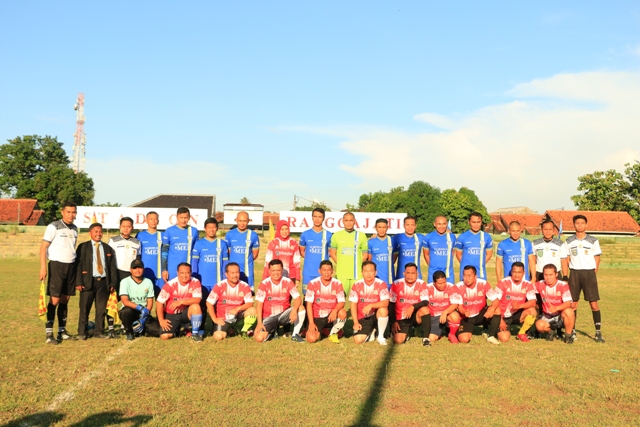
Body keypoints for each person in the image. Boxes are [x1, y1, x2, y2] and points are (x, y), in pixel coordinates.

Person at [39, 202, 79, 344]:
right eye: (68, 212)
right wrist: (43, 267)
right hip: (57, 266)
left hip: (71, 267)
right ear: (62, 212)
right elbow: (43, 248)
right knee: (54, 300)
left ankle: (62, 331)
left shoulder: (75, 229)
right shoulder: (53, 226)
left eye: (74, 212)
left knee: (65, 299)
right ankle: (49, 333)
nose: (71, 215)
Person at [561, 214, 604, 343]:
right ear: (574, 225)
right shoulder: (568, 241)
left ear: (586, 225)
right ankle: (572, 331)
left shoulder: (593, 240)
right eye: (577, 223)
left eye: (582, 223)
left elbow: (597, 258)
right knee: (573, 304)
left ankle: (598, 333)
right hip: (574, 273)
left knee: (594, 304)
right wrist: (566, 274)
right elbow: (565, 258)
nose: (579, 225)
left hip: (589, 274)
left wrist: (592, 272)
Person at [74, 223, 118, 340]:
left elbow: (112, 267)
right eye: (96, 231)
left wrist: (113, 283)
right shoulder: (83, 247)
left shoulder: (108, 248)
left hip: (103, 282)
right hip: (87, 282)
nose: (98, 234)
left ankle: (99, 332)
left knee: (101, 309)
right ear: (90, 233)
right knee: (84, 308)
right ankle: (82, 333)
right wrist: (78, 282)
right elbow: (78, 266)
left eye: (100, 232)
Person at [192, 217, 229, 336]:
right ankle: (201, 329)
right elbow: (194, 263)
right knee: (202, 306)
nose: (212, 230)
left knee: (217, 306)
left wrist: (224, 280)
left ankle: (216, 327)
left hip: (217, 282)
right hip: (203, 282)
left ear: (217, 229)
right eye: (209, 227)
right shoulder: (198, 244)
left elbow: (225, 264)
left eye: (214, 227)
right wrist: (195, 278)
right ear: (205, 229)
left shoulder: (222, 244)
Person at [253, 260, 305, 343]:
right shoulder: (264, 284)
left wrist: (294, 310)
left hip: (283, 315)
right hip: (269, 316)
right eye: (273, 270)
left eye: (278, 270)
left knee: (301, 307)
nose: (276, 273)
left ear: (282, 270)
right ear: (269, 271)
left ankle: (295, 335)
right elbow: (259, 305)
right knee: (259, 338)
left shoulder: (288, 282)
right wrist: (259, 323)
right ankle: (272, 332)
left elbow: (298, 299)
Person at [108, 216, 141, 335]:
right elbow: (109, 259)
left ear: (132, 228)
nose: (126, 229)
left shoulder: (136, 242)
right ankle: (111, 326)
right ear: (119, 227)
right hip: (116, 272)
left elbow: (138, 259)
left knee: (127, 299)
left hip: (130, 274)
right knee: (113, 299)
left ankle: (124, 324)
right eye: (124, 226)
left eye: (129, 226)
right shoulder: (113, 240)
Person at [206, 262, 256, 341]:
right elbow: (209, 303)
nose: (235, 275)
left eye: (237, 272)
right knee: (218, 337)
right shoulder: (220, 286)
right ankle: (231, 329)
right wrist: (215, 319)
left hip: (238, 316)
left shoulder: (244, 285)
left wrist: (238, 309)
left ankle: (244, 329)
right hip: (224, 319)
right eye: (232, 273)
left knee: (252, 310)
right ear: (226, 274)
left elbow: (250, 303)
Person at [329, 212, 369, 310]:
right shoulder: (336, 235)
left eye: (351, 220)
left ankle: (359, 323)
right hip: (342, 274)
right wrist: (342, 263)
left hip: (356, 275)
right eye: (346, 220)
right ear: (342, 222)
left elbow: (365, 254)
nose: (348, 223)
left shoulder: (361, 235)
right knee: (339, 300)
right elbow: (332, 253)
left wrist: (358, 263)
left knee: (358, 301)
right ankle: (338, 323)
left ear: (355, 221)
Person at [156, 263, 204, 342]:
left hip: (186, 313)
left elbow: (197, 299)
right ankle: (176, 330)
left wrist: (181, 302)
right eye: (182, 273)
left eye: (187, 273)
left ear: (191, 273)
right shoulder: (170, 284)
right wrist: (161, 320)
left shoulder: (195, 282)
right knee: (165, 336)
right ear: (177, 273)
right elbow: (159, 302)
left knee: (196, 307)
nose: (184, 276)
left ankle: (195, 334)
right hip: (172, 314)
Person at [304, 260, 347, 343]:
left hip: (331, 316)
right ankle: (323, 330)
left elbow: (342, 302)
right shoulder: (312, 283)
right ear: (319, 271)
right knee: (311, 339)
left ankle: (333, 333)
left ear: (332, 271)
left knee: (342, 312)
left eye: (329, 270)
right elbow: (308, 304)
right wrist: (311, 323)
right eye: (324, 270)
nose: (326, 272)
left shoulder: (337, 283)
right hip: (317, 316)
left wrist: (334, 311)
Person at [456, 265, 501, 345]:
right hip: (466, 317)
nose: (467, 278)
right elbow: (459, 306)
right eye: (465, 275)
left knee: (496, 309)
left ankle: (491, 336)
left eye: (469, 276)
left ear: (475, 276)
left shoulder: (483, 284)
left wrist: (492, 308)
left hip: (481, 315)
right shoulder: (458, 287)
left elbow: (496, 300)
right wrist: (463, 311)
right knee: (464, 339)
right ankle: (467, 330)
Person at [389, 263, 431, 346]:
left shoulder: (421, 284)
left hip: (415, 316)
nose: (410, 276)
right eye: (408, 273)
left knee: (425, 309)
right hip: (401, 318)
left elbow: (425, 301)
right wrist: (394, 322)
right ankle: (406, 333)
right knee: (398, 341)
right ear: (404, 273)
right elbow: (391, 304)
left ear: (417, 274)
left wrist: (412, 307)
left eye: (413, 273)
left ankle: (426, 338)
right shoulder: (396, 284)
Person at [118, 260, 162, 340]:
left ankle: (141, 330)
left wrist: (143, 318)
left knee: (159, 331)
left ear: (143, 269)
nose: (137, 270)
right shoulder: (124, 282)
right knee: (126, 312)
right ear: (131, 270)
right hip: (130, 310)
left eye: (140, 268)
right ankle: (129, 332)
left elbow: (149, 303)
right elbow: (125, 301)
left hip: (143, 313)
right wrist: (140, 307)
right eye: (135, 268)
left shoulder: (148, 282)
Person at [494, 262, 537, 343]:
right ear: (511, 272)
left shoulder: (527, 284)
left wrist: (519, 306)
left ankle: (521, 333)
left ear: (524, 273)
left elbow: (533, 302)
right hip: (502, 316)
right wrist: (500, 320)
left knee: (532, 310)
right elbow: (494, 303)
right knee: (504, 338)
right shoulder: (502, 283)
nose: (517, 275)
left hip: (516, 314)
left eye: (519, 272)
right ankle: (496, 328)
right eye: (515, 272)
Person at [349, 261, 390, 345]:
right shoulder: (356, 285)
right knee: (358, 340)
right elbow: (353, 304)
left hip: (376, 316)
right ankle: (372, 331)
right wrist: (355, 322)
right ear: (362, 272)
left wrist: (371, 305)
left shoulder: (381, 284)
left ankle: (380, 336)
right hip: (363, 317)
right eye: (365, 271)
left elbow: (386, 303)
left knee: (383, 310)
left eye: (371, 271)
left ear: (375, 272)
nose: (368, 274)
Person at [535, 264, 576, 343]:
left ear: (556, 274)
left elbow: (568, 303)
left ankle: (568, 336)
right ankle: (551, 332)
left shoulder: (563, 285)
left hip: (560, 315)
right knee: (539, 325)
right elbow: (528, 290)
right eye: (546, 275)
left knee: (569, 312)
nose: (548, 278)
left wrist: (556, 308)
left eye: (551, 275)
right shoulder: (540, 284)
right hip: (547, 315)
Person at [299, 208, 332, 295]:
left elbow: (331, 252)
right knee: (307, 297)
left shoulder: (328, 235)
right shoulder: (305, 234)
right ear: (312, 217)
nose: (317, 219)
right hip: (308, 272)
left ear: (324, 218)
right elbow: (302, 251)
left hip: (323, 272)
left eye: (320, 217)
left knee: (322, 297)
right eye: (315, 216)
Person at [161, 206, 199, 282]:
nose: (183, 220)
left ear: (189, 218)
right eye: (181, 217)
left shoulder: (194, 231)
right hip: (172, 269)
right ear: (177, 217)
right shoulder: (169, 231)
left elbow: (196, 251)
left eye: (186, 218)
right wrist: (164, 269)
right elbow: (164, 251)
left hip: (187, 270)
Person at [225, 211, 260, 289]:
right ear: (236, 220)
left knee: (248, 294)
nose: (242, 223)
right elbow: (228, 252)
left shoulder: (253, 235)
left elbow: (255, 254)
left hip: (247, 271)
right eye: (240, 221)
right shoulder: (230, 234)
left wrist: (247, 261)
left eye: (244, 221)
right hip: (233, 272)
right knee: (233, 294)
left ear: (248, 221)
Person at [425, 270, 462, 344]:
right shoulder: (427, 288)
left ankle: (452, 334)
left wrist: (445, 312)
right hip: (433, 317)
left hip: (447, 315)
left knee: (455, 316)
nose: (442, 285)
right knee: (431, 338)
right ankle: (441, 332)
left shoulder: (451, 287)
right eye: (439, 283)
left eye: (444, 282)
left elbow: (455, 304)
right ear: (434, 283)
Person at [454, 212, 493, 281]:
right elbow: (458, 255)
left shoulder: (487, 237)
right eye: (473, 222)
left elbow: (489, 254)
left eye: (478, 222)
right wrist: (466, 265)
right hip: (466, 274)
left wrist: (480, 264)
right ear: (469, 222)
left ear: (481, 222)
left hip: (480, 274)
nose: (476, 224)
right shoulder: (462, 237)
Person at [263, 220, 300, 285]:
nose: (284, 232)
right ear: (278, 230)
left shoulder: (294, 243)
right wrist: (265, 277)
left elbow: (297, 262)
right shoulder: (273, 243)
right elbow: (267, 262)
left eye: (286, 229)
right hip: (275, 275)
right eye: (282, 229)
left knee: (289, 295)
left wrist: (298, 278)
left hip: (291, 276)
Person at [136, 211, 164, 296]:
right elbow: (137, 254)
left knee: (160, 299)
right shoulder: (140, 235)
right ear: (146, 220)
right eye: (151, 219)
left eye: (155, 219)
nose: (153, 221)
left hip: (159, 274)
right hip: (145, 272)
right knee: (144, 298)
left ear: (158, 221)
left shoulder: (162, 235)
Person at [422, 215, 457, 283]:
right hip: (433, 272)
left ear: (447, 224)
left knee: (449, 293)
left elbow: (452, 252)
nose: (441, 226)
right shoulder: (428, 237)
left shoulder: (452, 237)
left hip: (448, 273)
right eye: (439, 224)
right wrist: (433, 265)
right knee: (433, 293)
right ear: (434, 224)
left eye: (444, 224)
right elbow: (426, 254)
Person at [368, 218, 394, 287]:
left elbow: (394, 258)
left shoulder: (392, 241)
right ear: (375, 228)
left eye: (384, 227)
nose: (382, 230)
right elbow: (369, 260)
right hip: (376, 279)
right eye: (379, 227)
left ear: (387, 228)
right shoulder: (371, 242)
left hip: (390, 280)